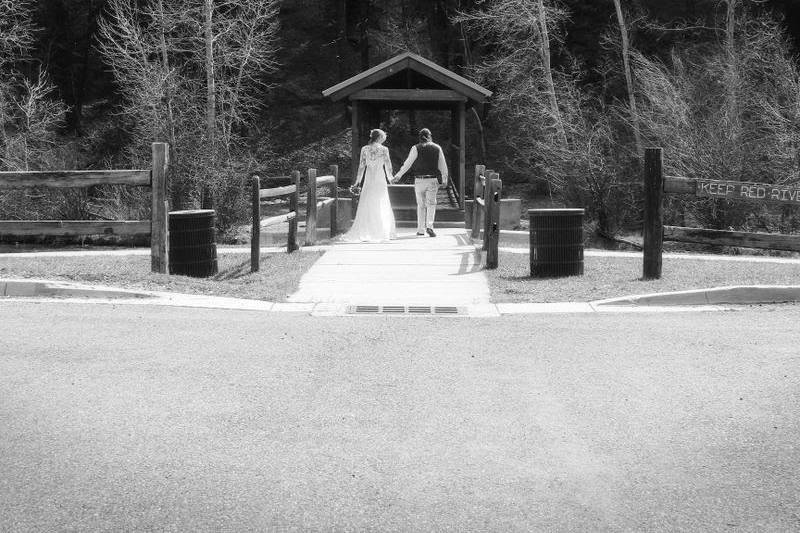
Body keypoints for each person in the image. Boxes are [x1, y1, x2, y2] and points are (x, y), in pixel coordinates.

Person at [341, 128, 397, 242]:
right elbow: (388, 166)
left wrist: (358, 181)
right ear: (380, 138)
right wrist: (390, 178)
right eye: (383, 138)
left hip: (368, 178)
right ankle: (381, 230)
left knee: (366, 202)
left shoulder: (364, 149)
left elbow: (361, 166)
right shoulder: (384, 149)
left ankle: (366, 230)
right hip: (380, 179)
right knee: (381, 202)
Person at [392, 128, 448, 237]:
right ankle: (430, 226)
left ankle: (420, 230)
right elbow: (442, 165)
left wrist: (398, 175)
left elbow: (408, 163)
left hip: (419, 180)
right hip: (432, 180)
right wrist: (444, 179)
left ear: (419, 137)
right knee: (431, 204)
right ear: (430, 136)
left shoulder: (415, 148)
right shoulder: (437, 147)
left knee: (421, 205)